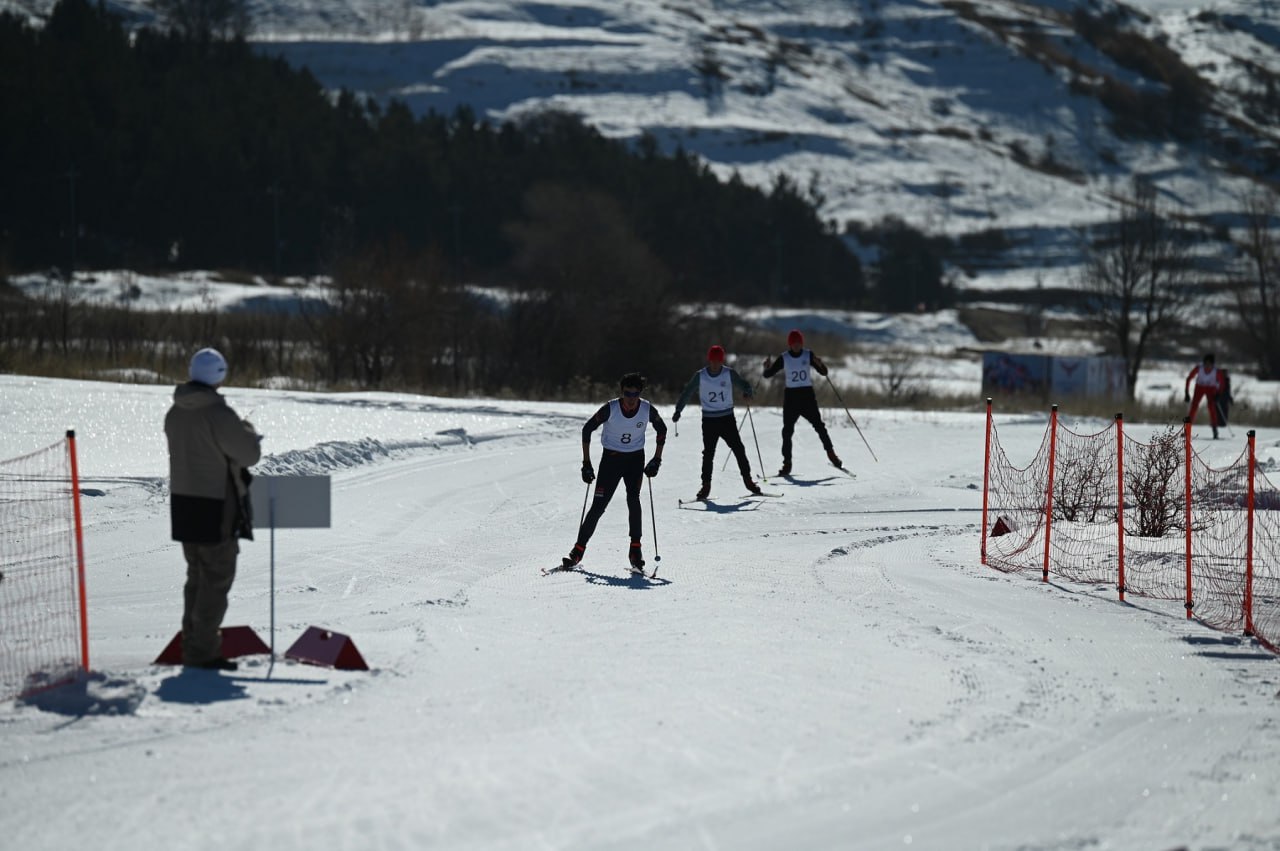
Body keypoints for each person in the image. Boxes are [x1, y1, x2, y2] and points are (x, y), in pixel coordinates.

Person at [165, 348, 261, 670]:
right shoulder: (219, 414)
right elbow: (248, 455)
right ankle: (202, 652)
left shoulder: (175, 411)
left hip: (184, 503)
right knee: (216, 581)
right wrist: (248, 432)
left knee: (196, 577)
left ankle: (192, 645)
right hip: (215, 506)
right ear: (219, 376)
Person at [564, 372, 666, 571]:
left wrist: (657, 459)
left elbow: (662, 429)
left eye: (635, 394)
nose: (630, 399)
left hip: (635, 460)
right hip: (611, 460)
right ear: (622, 392)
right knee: (598, 506)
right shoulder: (611, 408)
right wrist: (586, 463)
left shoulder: (646, 409)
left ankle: (635, 550)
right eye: (627, 394)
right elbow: (587, 429)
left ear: (640, 394)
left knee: (633, 499)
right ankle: (578, 550)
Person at [672, 345, 762, 500]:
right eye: (712, 361)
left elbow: (744, 385)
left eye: (718, 361)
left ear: (722, 360)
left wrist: (748, 392)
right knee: (708, 454)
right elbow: (687, 392)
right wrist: (678, 410)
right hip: (709, 421)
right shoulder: (700, 376)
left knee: (738, 449)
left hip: (727, 419)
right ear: (709, 360)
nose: (715, 364)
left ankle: (748, 480)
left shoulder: (729, 373)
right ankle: (705, 486)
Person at [761, 329, 842, 474]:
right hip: (791, 398)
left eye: (799, 343)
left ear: (802, 343)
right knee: (787, 431)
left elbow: (824, 372)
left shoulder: (808, 354)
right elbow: (768, 375)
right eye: (794, 343)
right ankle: (787, 463)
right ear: (790, 344)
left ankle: (832, 454)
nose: (797, 346)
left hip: (807, 397)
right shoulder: (784, 357)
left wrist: (820, 364)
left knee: (819, 426)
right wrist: (766, 367)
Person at [1185, 353, 1227, 439]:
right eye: (1206, 364)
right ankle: (1187, 430)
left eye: (1209, 364)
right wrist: (1186, 392)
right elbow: (1189, 378)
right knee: (1194, 407)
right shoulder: (1199, 368)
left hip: (1211, 389)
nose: (1207, 366)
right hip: (1199, 388)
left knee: (1212, 408)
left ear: (1212, 364)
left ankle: (1215, 430)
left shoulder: (1216, 371)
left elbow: (1222, 383)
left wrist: (1218, 394)